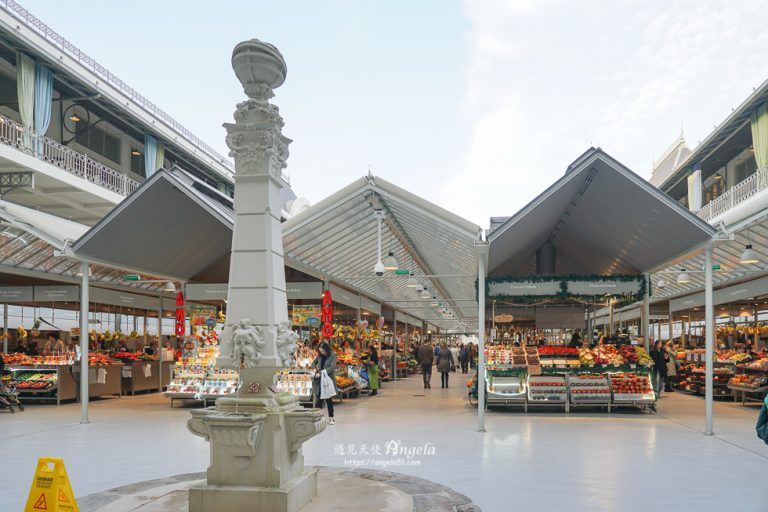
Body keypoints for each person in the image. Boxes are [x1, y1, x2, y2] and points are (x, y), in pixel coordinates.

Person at [311, 342, 337, 424]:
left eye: (322, 351)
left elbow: (331, 368)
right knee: (318, 398)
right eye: (320, 351)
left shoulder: (333, 355)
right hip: (319, 380)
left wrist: (321, 372)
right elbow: (314, 363)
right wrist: (315, 369)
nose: (321, 352)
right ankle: (317, 417)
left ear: (326, 349)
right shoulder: (319, 355)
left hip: (327, 379)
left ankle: (331, 417)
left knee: (328, 399)